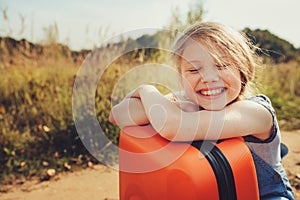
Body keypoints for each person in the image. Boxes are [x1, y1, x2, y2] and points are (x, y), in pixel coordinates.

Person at [109, 22, 294, 199]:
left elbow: (173, 126)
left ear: (243, 70)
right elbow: (119, 115)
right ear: (181, 78)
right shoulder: (187, 101)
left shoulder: (256, 113)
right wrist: (173, 103)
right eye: (194, 69)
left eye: (222, 66)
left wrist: (146, 90)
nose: (208, 78)